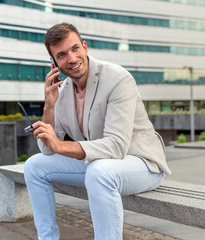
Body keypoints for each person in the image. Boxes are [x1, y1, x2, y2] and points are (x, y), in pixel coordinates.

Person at [23, 23, 171, 240]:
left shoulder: (118, 78)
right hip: (99, 163)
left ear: (85, 47)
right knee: (34, 165)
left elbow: (116, 146)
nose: (71, 59)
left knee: (99, 172)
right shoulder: (62, 91)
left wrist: (61, 145)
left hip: (141, 162)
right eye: (62, 55)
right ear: (54, 63)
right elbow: (47, 152)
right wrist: (49, 106)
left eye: (75, 49)